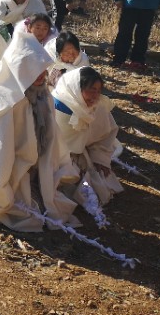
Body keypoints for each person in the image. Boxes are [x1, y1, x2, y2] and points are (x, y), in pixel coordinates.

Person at [0, 31, 78, 232]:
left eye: (42, 70)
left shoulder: (43, 96)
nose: (41, 76)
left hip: (31, 164)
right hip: (10, 168)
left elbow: (52, 137)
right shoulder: (4, 101)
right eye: (33, 71)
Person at [52, 67, 124, 209]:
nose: (95, 96)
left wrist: (100, 158)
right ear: (76, 88)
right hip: (55, 158)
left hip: (80, 157)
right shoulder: (55, 105)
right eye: (91, 90)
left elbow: (105, 133)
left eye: (98, 91)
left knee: (99, 185)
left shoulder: (96, 107)